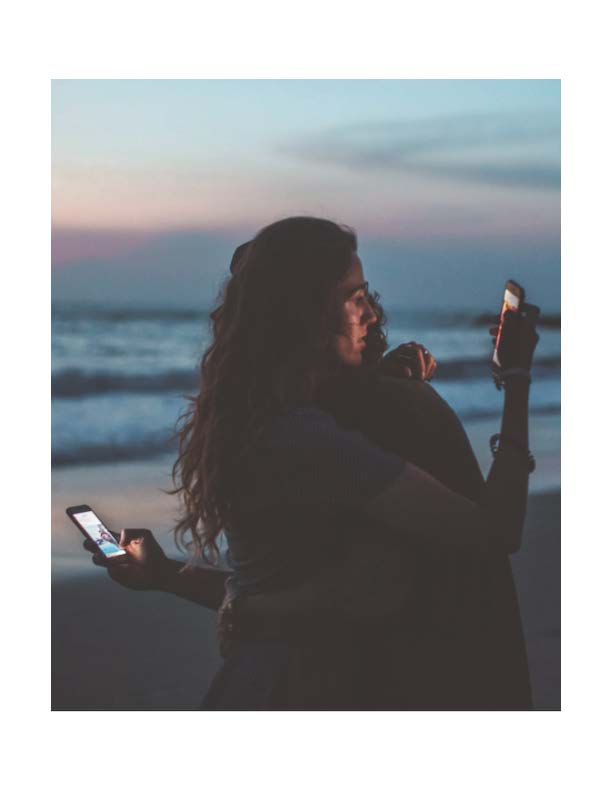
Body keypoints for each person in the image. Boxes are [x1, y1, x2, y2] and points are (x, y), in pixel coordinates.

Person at [84, 216, 538, 710]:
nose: (370, 313)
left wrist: (164, 574)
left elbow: (267, 592)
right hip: (300, 689)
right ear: (305, 313)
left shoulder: (255, 421)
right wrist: (516, 381)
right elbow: (493, 532)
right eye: (355, 297)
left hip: (255, 680)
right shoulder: (310, 440)